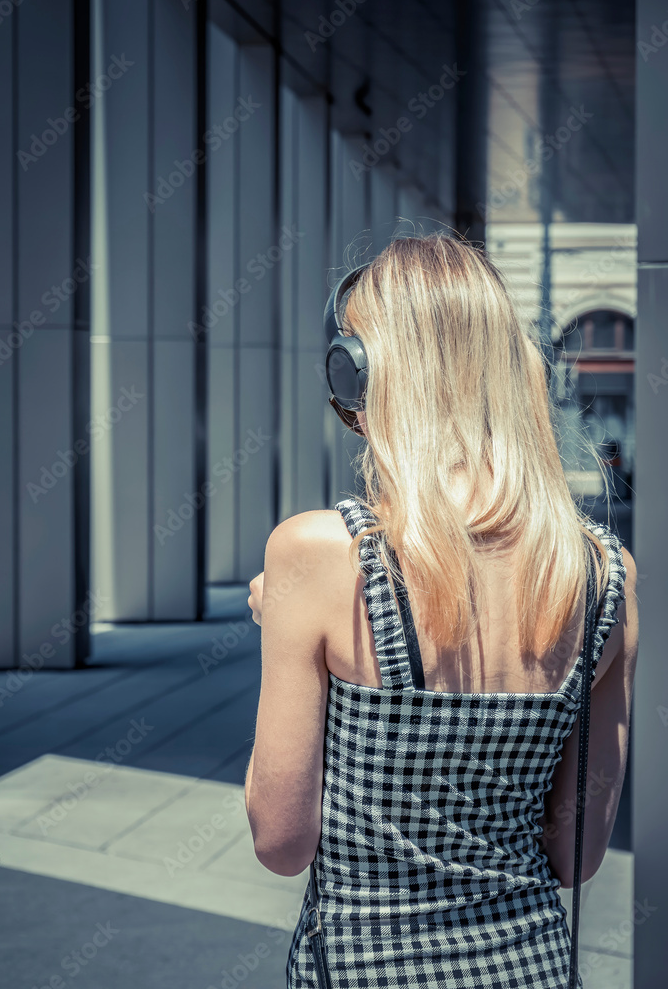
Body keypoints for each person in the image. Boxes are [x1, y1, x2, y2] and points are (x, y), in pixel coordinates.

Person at [243, 233, 639, 989]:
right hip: (529, 967)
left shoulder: (320, 554)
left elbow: (281, 841)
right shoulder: (603, 576)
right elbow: (575, 855)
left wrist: (282, 633)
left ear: (356, 378)